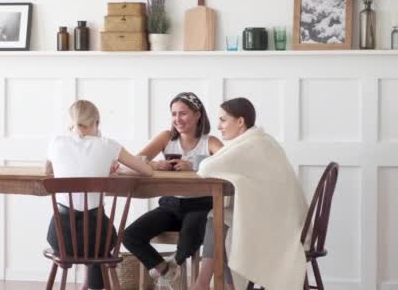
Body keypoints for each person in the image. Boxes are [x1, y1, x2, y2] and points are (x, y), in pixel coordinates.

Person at [193, 97, 308, 290]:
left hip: (281, 224)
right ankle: (210, 284)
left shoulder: (251, 145)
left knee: (217, 219)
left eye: (223, 120)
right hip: (286, 216)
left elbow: (206, 167)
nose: (219, 126)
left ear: (240, 121)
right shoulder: (259, 140)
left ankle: (202, 284)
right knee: (218, 218)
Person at [45, 99, 153, 290]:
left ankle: (88, 287)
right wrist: (114, 172)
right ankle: (94, 287)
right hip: (98, 238)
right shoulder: (109, 145)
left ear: (71, 121)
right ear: (98, 121)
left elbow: (48, 172)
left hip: (62, 238)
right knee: (96, 238)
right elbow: (147, 171)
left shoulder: (56, 143)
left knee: (87, 233)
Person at [122, 92, 223, 288]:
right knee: (129, 235)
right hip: (170, 205)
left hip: (200, 205)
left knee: (188, 239)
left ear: (197, 114)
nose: (177, 119)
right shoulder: (167, 137)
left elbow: (227, 161)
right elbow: (135, 161)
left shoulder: (209, 141)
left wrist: (194, 165)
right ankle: (165, 269)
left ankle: (174, 262)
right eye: (174, 114)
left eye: (183, 113)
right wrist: (153, 164)